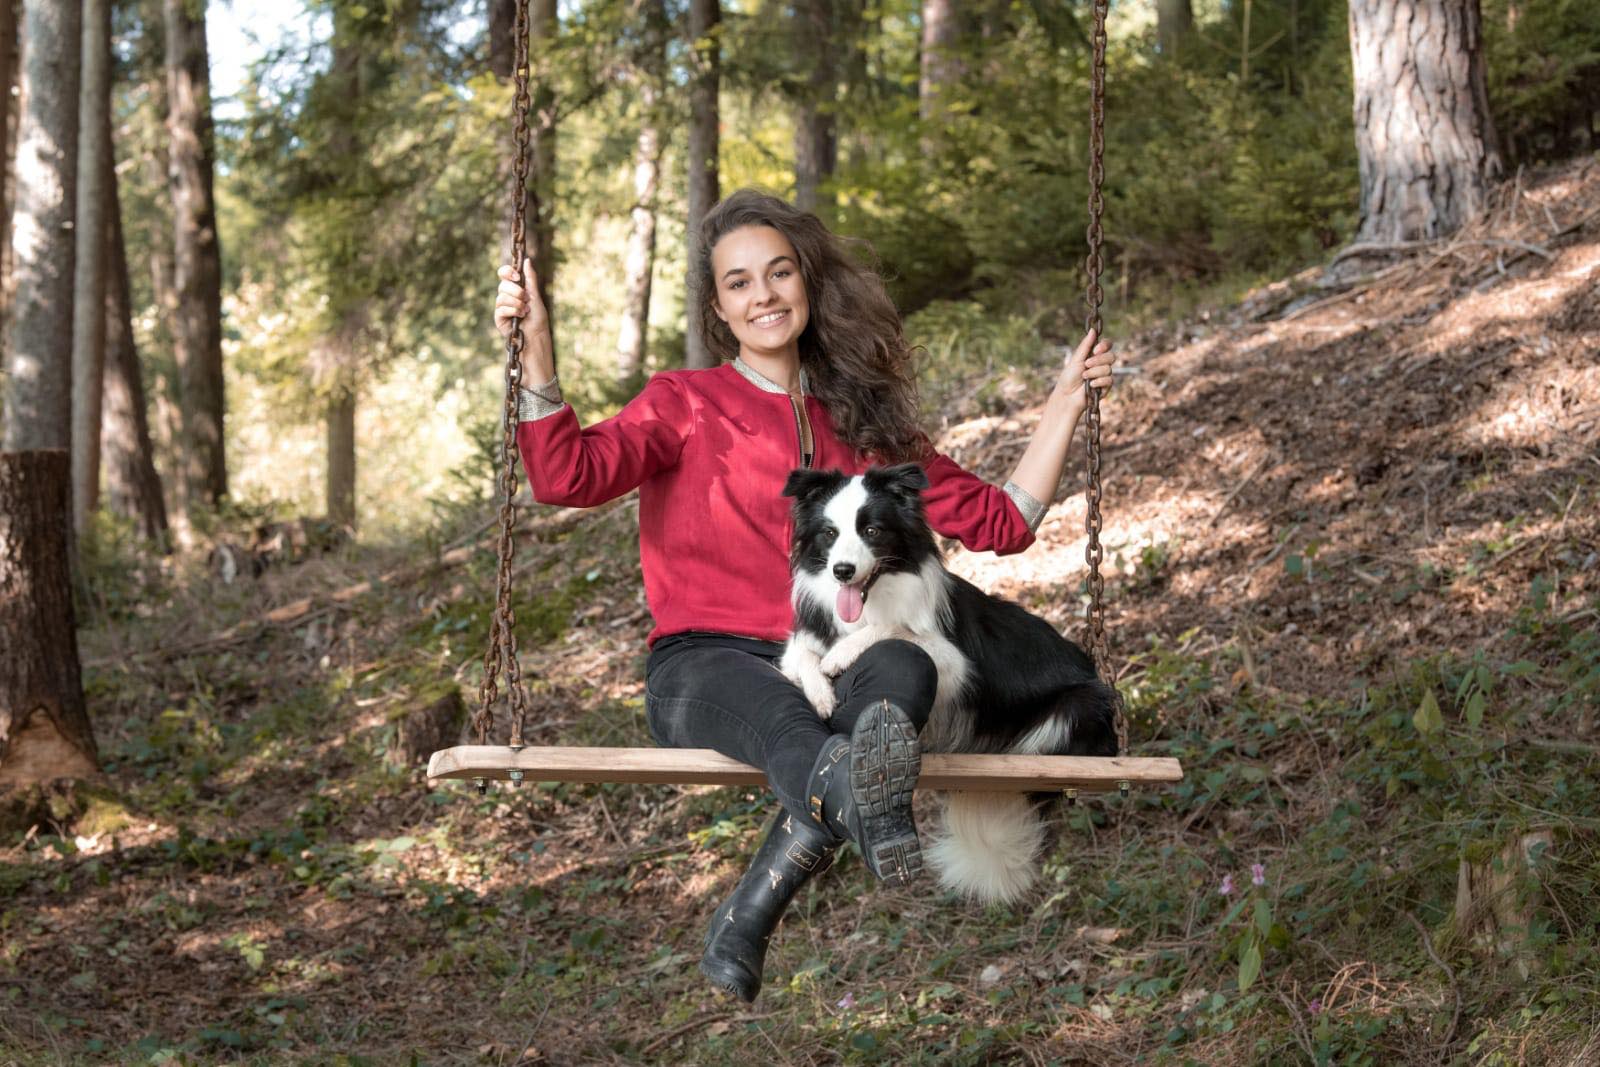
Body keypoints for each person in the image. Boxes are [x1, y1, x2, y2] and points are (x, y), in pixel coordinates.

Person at [492, 189, 1115, 1002]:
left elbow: (1002, 520)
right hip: (705, 667)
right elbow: (565, 476)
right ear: (719, 308)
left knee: (905, 671)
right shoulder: (682, 403)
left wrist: (1067, 400)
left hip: (827, 663)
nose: (765, 296)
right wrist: (537, 355)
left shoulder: (865, 424)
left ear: (807, 284)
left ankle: (761, 898)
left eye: (780, 273)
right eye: (740, 282)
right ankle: (842, 824)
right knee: (798, 717)